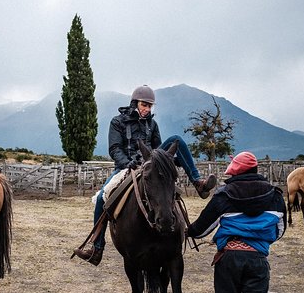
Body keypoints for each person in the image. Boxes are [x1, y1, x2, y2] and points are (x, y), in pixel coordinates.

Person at [73, 85, 217, 266]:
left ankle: (198, 184)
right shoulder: (117, 122)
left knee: (176, 140)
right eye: (144, 105)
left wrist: (171, 161)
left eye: (150, 106)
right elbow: (114, 148)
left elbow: (159, 151)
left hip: (150, 166)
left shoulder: (152, 124)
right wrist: (127, 162)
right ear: (135, 103)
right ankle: (96, 248)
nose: (147, 109)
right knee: (102, 198)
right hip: (125, 167)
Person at [186, 151, 286, 293]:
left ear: (235, 170)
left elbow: (201, 229)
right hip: (258, 259)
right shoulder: (275, 195)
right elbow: (280, 230)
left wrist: (187, 230)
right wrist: (258, 242)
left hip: (228, 258)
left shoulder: (224, 195)